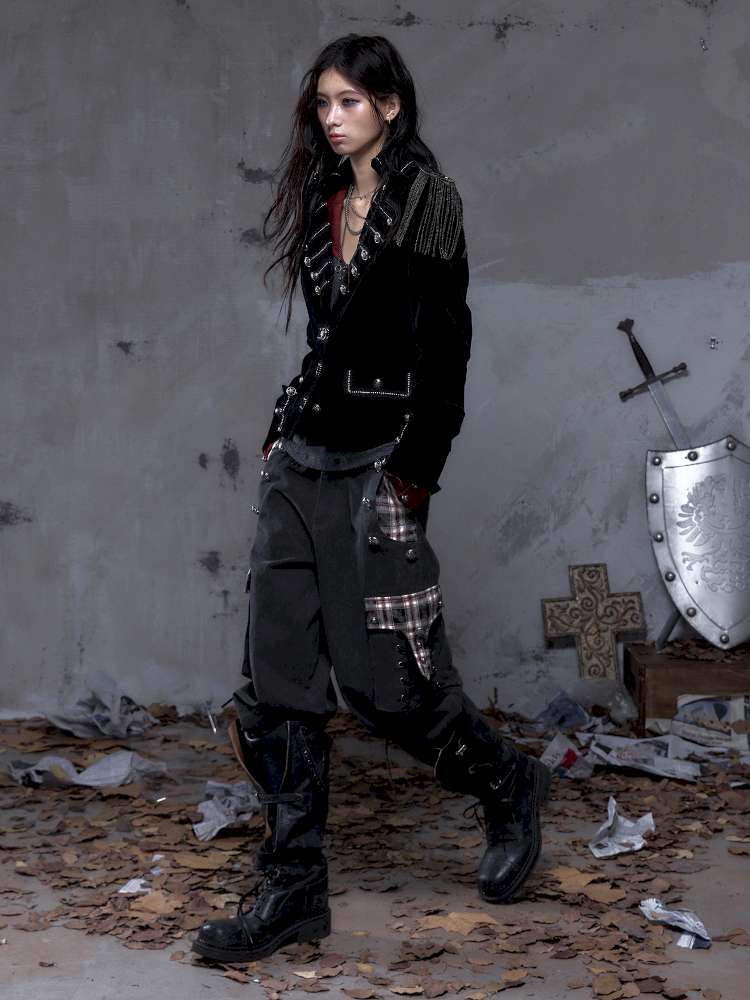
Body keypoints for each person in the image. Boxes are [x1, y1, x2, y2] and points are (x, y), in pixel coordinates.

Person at [192, 33, 550, 965]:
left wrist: (411, 476)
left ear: (390, 105)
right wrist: (283, 434)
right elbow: (326, 340)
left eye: (350, 101)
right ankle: (292, 890)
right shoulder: (322, 201)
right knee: (276, 682)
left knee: (389, 689)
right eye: (322, 103)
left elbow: (448, 352)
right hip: (300, 463)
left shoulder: (429, 202)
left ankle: (508, 781)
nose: (332, 117)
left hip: (379, 464)